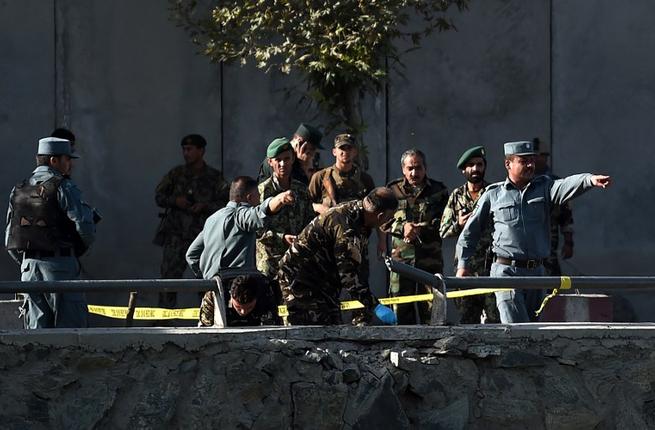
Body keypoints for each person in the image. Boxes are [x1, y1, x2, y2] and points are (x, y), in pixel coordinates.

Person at [456, 140, 611, 323]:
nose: (530, 165)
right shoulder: (493, 195)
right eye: (523, 161)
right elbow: (470, 232)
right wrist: (463, 265)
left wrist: (589, 180)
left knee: (535, 328)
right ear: (508, 164)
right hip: (506, 272)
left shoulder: (544, 188)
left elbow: (565, 185)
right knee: (517, 327)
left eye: (532, 160)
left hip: (536, 272)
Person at [5, 137, 98, 328]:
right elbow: (85, 227)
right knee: (70, 335)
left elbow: (9, 239)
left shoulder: (19, 189)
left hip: (29, 271)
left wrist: (28, 262)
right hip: (60, 267)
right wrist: (73, 254)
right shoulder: (63, 186)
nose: (70, 164)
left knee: (36, 337)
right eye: (67, 159)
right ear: (53, 160)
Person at [277, 187, 398, 326]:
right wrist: (374, 306)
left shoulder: (360, 217)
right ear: (380, 216)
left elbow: (357, 265)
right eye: (388, 219)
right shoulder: (346, 229)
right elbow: (348, 275)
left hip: (323, 283)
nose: (386, 224)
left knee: (332, 329)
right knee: (312, 333)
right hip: (300, 280)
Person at [153, 134, 229, 308]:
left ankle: (208, 316)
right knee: (168, 280)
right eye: (184, 149)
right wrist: (175, 201)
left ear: (201, 151)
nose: (186, 153)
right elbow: (159, 196)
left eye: (190, 149)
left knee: (205, 280)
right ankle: (164, 320)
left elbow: (227, 202)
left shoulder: (214, 177)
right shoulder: (176, 174)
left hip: (203, 236)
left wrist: (205, 206)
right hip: (176, 236)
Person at [185, 176, 295, 281]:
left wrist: (206, 277)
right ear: (250, 197)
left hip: (212, 289)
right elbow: (259, 212)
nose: (259, 200)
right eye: (258, 195)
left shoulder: (211, 220)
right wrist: (280, 199)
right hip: (237, 289)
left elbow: (191, 255)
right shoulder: (241, 215)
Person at [384, 149, 449, 324]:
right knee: (400, 313)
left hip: (430, 261)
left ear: (425, 168)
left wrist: (423, 228)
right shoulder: (392, 190)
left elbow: (446, 223)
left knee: (432, 312)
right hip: (402, 263)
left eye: (418, 168)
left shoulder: (439, 191)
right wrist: (402, 227)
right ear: (403, 169)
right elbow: (382, 221)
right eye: (410, 168)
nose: (414, 173)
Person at [439, 146, 499, 324]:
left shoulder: (494, 192)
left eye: (479, 164)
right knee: (467, 319)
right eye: (471, 165)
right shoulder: (457, 196)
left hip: (492, 266)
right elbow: (443, 230)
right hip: (466, 269)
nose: (475, 169)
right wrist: (459, 224)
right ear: (463, 170)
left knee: (495, 319)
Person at [256, 138, 315, 282]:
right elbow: (256, 229)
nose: (283, 164)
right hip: (270, 263)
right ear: (270, 162)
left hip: (297, 260)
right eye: (278, 160)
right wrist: (282, 238)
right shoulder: (262, 191)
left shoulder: (302, 190)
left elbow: (310, 222)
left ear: (293, 159)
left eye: (287, 159)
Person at [533, 138, 575, 276]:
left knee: (553, 285)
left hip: (549, 243)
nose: (540, 159)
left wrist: (568, 242)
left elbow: (566, 215)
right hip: (527, 245)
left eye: (543, 156)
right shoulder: (522, 180)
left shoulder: (555, 182)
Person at [308, 133, 375, 215]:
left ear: (355, 152)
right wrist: (319, 207)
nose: (345, 152)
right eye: (342, 148)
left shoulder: (365, 179)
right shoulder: (321, 177)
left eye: (349, 148)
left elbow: (374, 208)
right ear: (334, 152)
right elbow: (307, 204)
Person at [198, 274, 280, 327]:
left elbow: (272, 328)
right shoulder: (215, 293)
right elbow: (205, 326)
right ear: (231, 297)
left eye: (249, 307)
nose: (243, 312)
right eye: (238, 307)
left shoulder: (265, 292)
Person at [257, 123, 324, 184]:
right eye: (312, 149)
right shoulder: (278, 155)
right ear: (300, 143)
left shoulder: (309, 159)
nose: (313, 153)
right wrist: (303, 166)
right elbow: (287, 184)